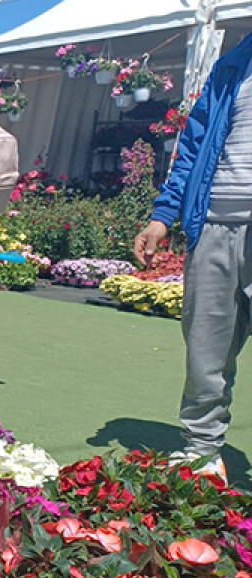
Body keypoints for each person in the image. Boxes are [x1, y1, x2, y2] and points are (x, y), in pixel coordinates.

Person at [133, 32, 252, 481]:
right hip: (216, 225)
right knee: (207, 347)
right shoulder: (231, 67)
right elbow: (193, 149)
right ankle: (202, 452)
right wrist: (163, 217)